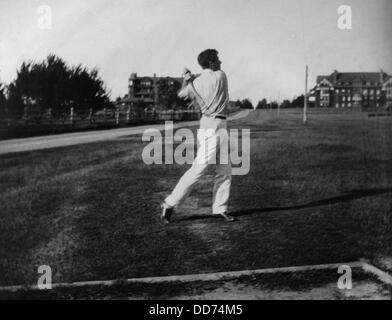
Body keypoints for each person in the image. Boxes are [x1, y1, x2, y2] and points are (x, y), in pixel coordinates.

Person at [161, 49, 235, 223]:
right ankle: (169, 203)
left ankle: (219, 208)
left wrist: (186, 80)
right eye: (217, 59)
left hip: (212, 125)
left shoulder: (197, 83)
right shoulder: (221, 75)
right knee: (199, 168)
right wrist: (192, 79)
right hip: (214, 126)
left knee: (225, 169)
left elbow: (182, 93)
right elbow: (206, 81)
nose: (220, 62)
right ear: (211, 63)